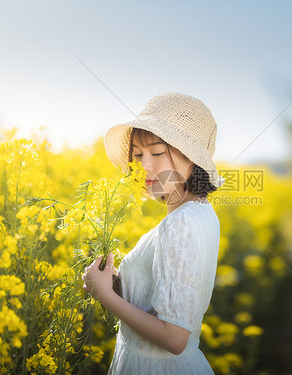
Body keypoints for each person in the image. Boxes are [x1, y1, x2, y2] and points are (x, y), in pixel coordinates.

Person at [82, 92, 226, 374]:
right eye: (137, 154)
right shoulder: (201, 212)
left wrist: (105, 296)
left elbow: (174, 338)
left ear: (192, 158)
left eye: (157, 152)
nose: (144, 165)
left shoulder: (180, 224)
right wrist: (118, 288)